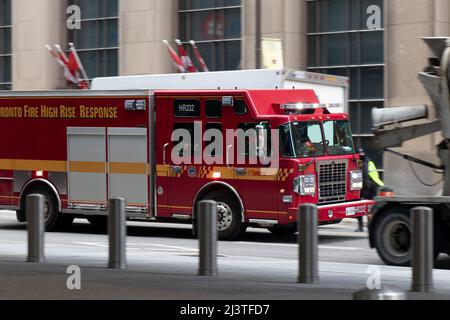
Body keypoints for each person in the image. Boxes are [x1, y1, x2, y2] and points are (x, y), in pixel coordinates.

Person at [356, 148, 385, 232]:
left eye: (361, 154)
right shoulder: (367, 161)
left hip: (367, 188)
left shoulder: (361, 162)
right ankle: (364, 226)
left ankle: (366, 226)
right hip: (366, 188)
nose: (361, 155)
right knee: (364, 208)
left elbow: (368, 175)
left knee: (366, 209)